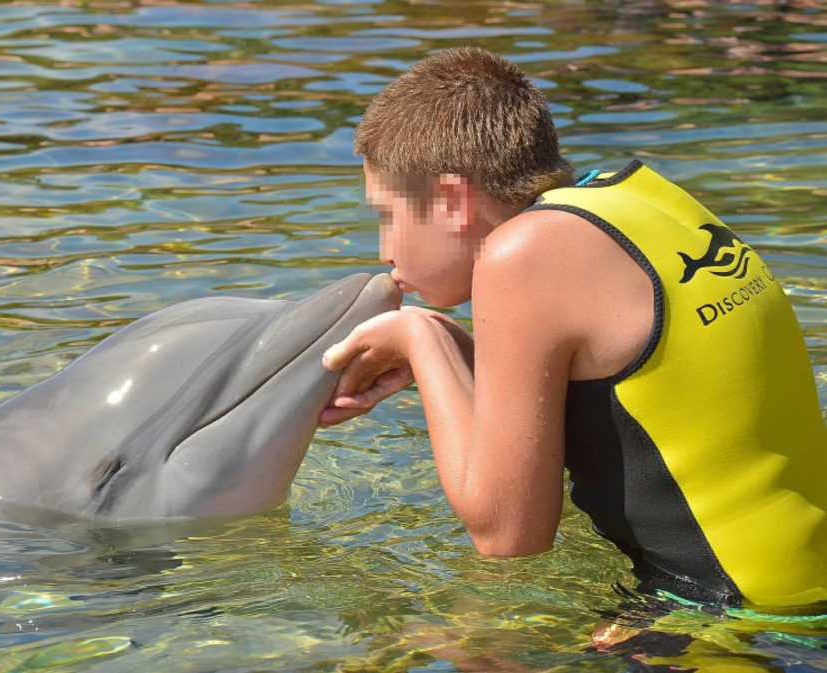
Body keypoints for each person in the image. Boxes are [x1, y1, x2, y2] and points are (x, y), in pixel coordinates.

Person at [318, 46, 827, 611]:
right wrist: (441, 354)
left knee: (469, 649)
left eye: (387, 216)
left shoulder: (523, 254)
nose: (385, 250)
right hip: (801, 576)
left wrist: (421, 337)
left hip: (748, 621)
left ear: (452, 201)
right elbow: (623, 400)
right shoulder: (631, 197)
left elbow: (508, 537)